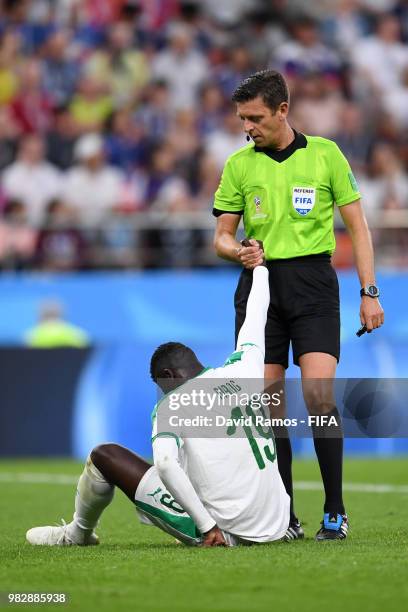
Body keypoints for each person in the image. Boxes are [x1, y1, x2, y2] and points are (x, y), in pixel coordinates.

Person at [213, 70, 384, 540]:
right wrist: (238, 250)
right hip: (260, 288)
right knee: (268, 405)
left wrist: (369, 292)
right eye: (243, 119)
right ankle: (283, 515)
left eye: (256, 118)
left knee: (317, 396)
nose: (248, 127)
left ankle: (335, 510)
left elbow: (360, 229)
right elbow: (222, 237)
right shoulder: (238, 165)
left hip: (314, 284)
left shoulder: (326, 154)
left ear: (283, 110)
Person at [26, 259, 290, 547]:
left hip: (228, 533)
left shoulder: (172, 404)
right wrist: (261, 269)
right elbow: (255, 316)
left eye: (159, 384)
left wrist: (207, 526)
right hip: (277, 524)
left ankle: (76, 534)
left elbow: (165, 464)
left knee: (105, 455)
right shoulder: (245, 367)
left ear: (167, 375)